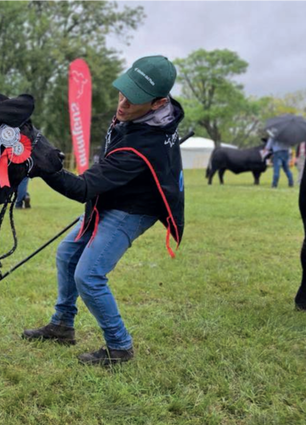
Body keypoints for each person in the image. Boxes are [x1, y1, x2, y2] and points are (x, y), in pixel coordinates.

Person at [23, 55, 185, 366]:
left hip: (133, 209)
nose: (123, 104)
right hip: (111, 197)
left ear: (158, 103)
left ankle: (119, 346)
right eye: (123, 92)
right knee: (67, 253)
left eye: (134, 99)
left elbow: (82, 188)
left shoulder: (144, 144)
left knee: (89, 275)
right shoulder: (142, 114)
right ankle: (62, 324)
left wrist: (42, 166)